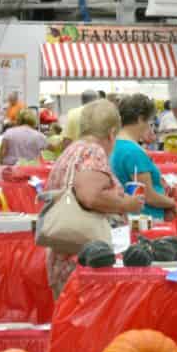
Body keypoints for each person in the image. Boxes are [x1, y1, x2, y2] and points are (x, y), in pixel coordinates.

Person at [43, 100, 144, 298]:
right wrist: (126, 203)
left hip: (63, 256)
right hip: (86, 261)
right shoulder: (93, 151)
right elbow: (90, 196)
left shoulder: (71, 150)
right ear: (112, 133)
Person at [111, 94, 176, 221]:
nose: (149, 126)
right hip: (145, 219)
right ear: (140, 119)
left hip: (127, 217)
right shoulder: (133, 151)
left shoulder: (114, 143)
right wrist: (172, 202)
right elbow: (148, 196)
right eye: (149, 121)